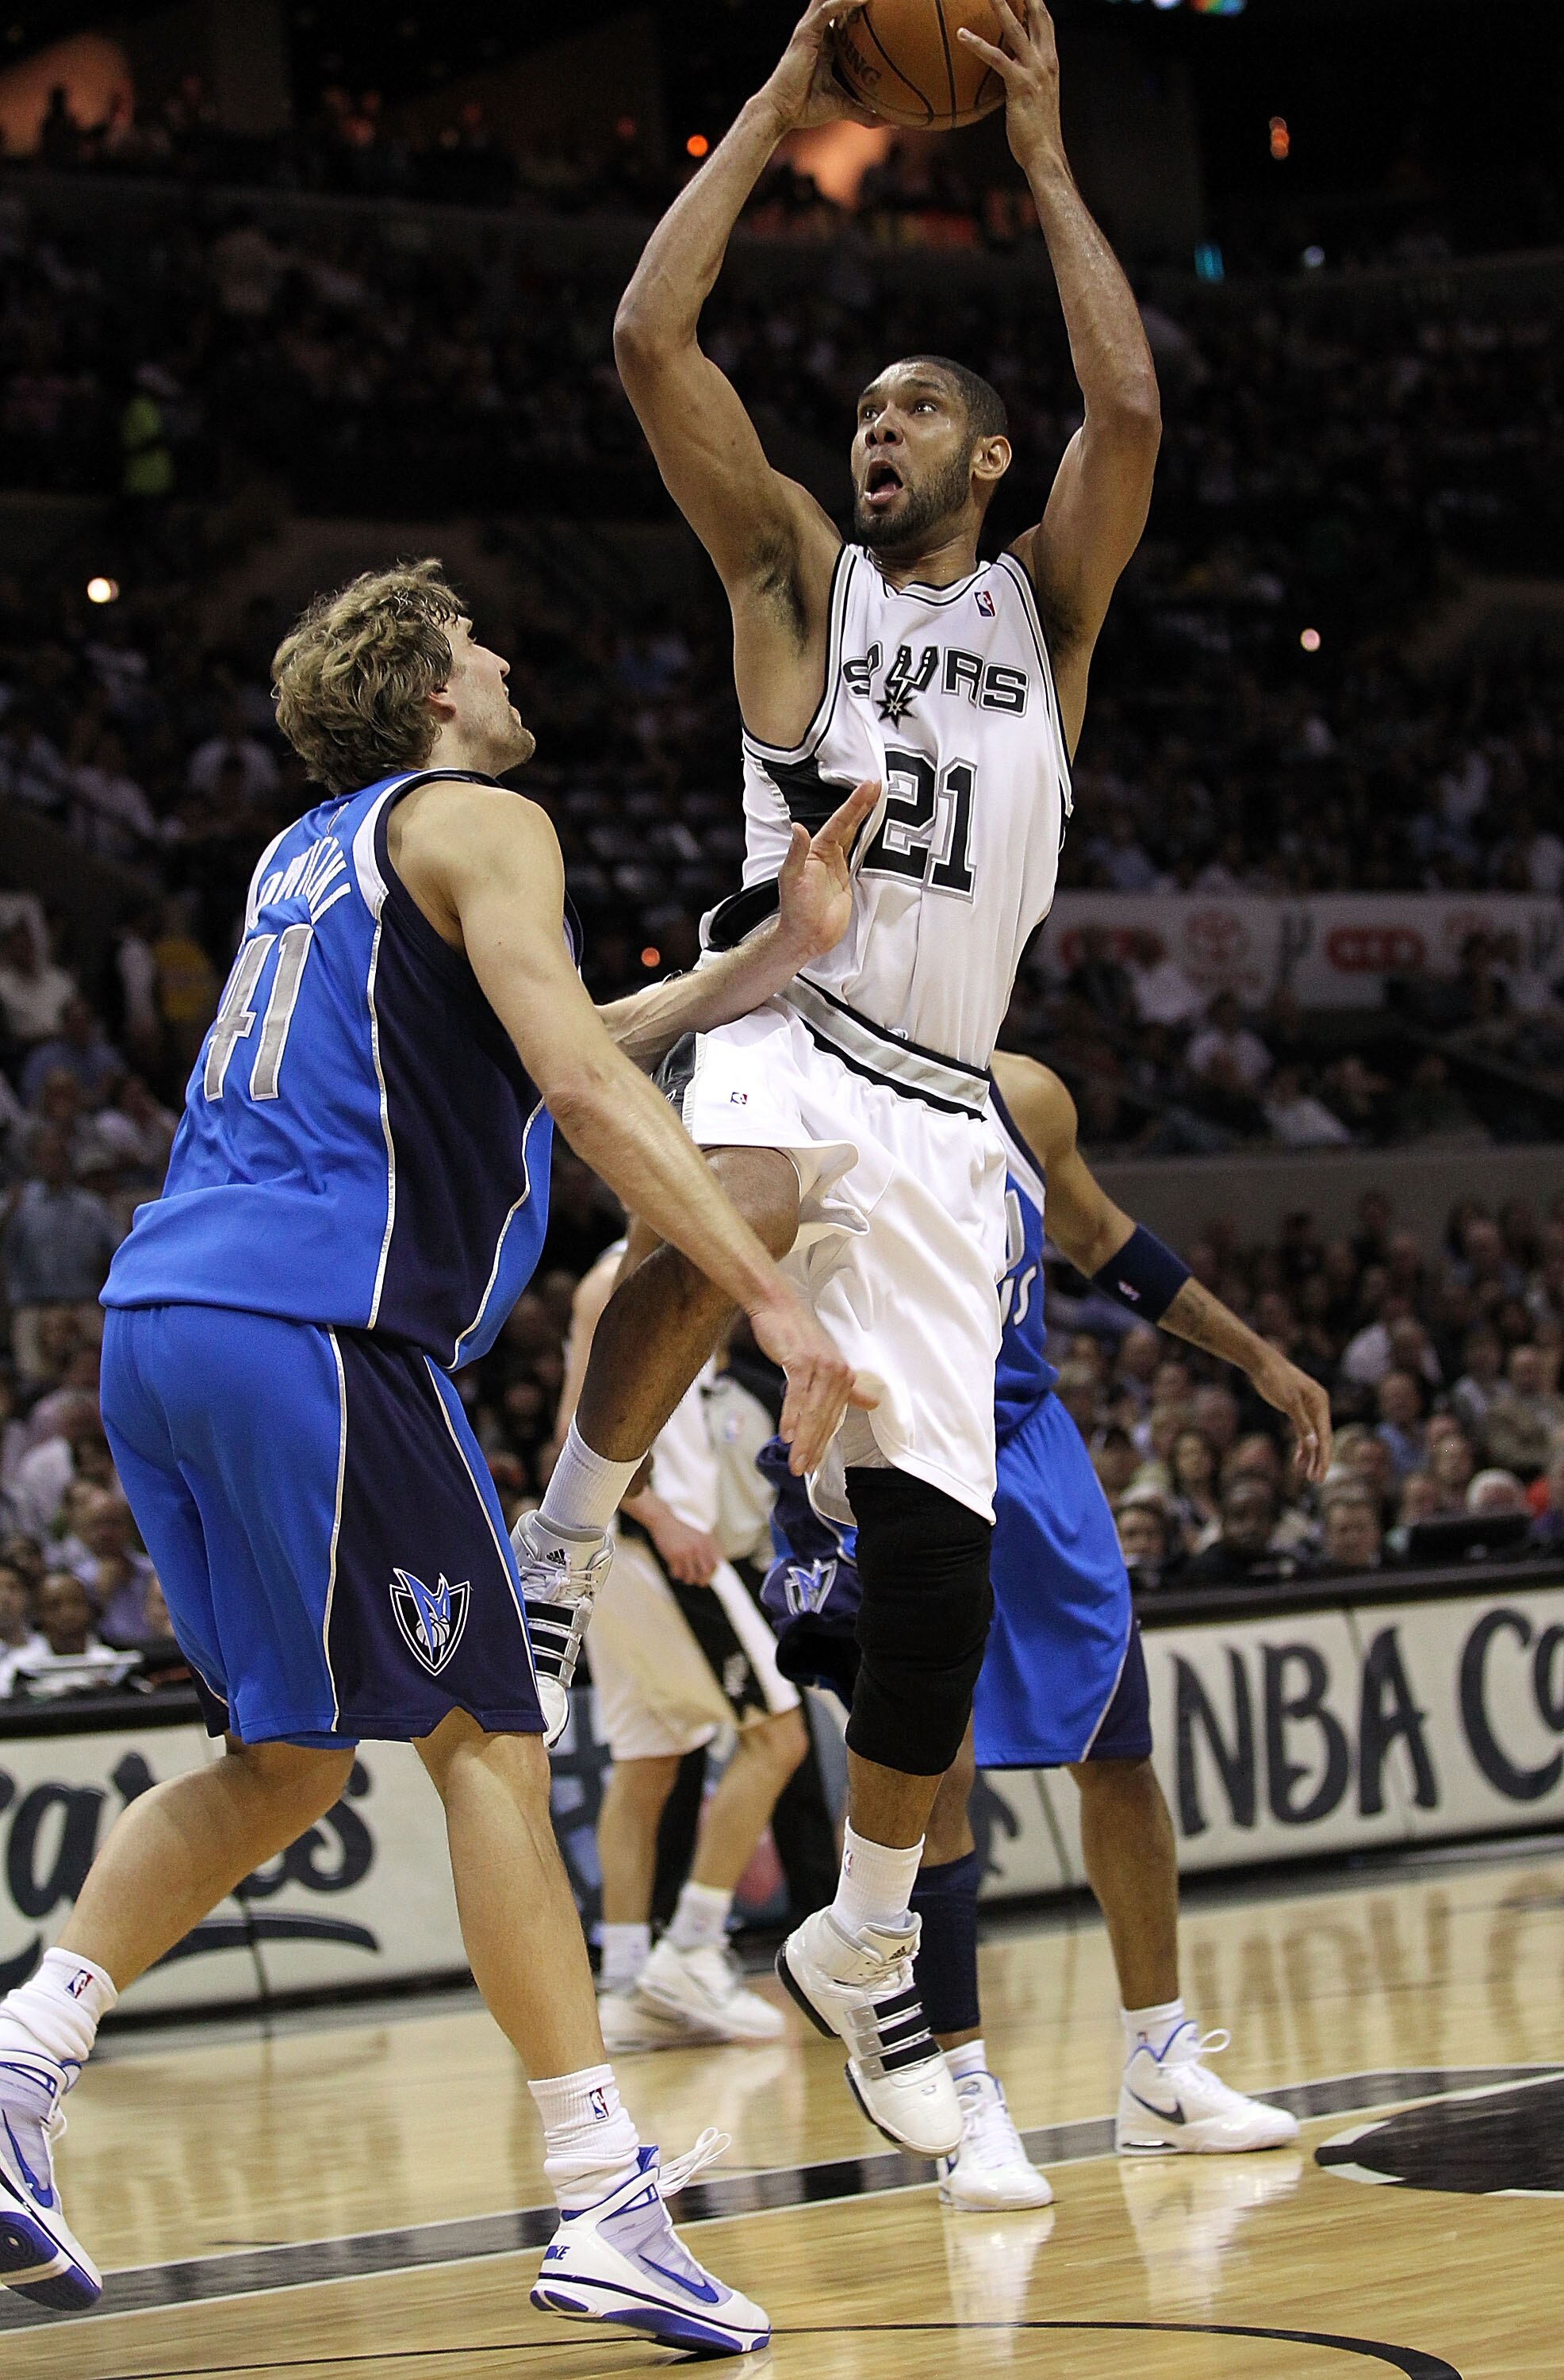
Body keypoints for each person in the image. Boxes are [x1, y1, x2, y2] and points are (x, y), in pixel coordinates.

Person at [0, 558, 883, 2355]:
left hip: (167, 1320)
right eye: (478, 640)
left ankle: (18, 2065)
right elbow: (571, 1086)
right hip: (321, 1326)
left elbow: (529, 1043)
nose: (502, 654)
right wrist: (766, 1302)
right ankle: (600, 2194)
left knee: (286, 1760)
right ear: (428, 692)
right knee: (487, 1731)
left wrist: (762, 961)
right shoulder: (484, 813)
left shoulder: (312, 851)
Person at [518, 0, 1162, 2162]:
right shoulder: (799, 581)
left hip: (950, 1112)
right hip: (788, 1015)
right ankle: (565, 1538)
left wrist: (1050, 160)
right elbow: (643, 341)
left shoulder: (1042, 617)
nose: (874, 430)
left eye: (916, 414)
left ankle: (863, 1938)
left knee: (937, 1587)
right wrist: (783, 108)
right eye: (862, 411)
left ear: (985, 462)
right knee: (751, 1210)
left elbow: (1129, 403)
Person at [762, 1052, 1328, 2206]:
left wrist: (1255, 1355)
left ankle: (1162, 2066)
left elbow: (1106, 1238)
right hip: (890, 1448)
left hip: (1028, 1445)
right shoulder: (797, 1087)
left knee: (1118, 1754)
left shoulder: (1024, 1095)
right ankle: (967, 2092)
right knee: (936, 1773)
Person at [557, 1247, 806, 2052]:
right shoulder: (613, 1281)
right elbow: (575, 1426)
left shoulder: (684, 1261)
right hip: (656, 1548)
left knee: (648, 1762)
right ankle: (692, 1946)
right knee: (778, 1737)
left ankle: (627, 1981)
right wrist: (661, 1517)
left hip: (631, 1557)